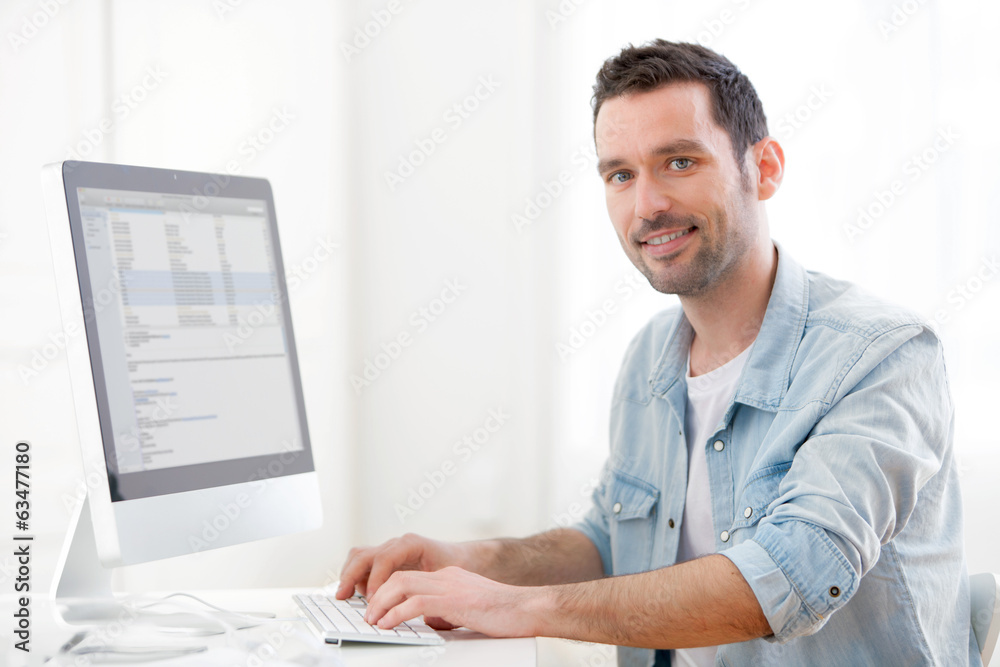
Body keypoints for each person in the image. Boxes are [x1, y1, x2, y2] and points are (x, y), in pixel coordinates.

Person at [336, 39, 976, 666]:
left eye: (679, 162)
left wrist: (517, 607)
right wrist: (469, 561)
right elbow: (612, 542)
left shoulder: (883, 355)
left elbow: (789, 577)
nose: (647, 206)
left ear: (766, 168)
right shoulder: (651, 358)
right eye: (620, 174)